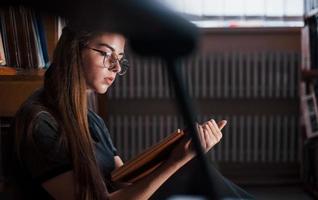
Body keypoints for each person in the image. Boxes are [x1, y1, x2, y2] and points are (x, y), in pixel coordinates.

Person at [2, 25, 227, 200]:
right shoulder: (40, 123)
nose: (116, 68)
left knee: (197, 173)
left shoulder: (90, 119)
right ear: (73, 51)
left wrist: (177, 152)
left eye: (119, 59)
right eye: (105, 54)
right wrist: (175, 161)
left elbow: (123, 180)